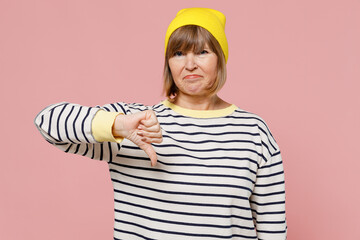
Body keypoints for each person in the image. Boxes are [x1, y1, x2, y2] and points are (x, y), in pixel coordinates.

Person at [34, 7, 287, 240]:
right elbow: (47, 121)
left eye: (202, 52)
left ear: (220, 58)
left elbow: (272, 229)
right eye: (178, 53)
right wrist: (118, 126)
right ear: (168, 62)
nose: (190, 65)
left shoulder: (254, 132)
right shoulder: (135, 123)